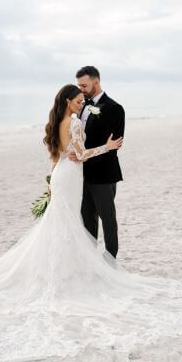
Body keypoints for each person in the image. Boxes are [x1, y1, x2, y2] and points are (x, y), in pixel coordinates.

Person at [0, 84, 182, 362]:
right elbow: (81, 155)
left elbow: (57, 158)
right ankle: (63, 276)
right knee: (67, 225)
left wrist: (50, 183)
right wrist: (107, 147)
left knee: (61, 226)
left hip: (61, 177)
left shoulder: (55, 122)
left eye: (84, 100)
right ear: (70, 102)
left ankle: (57, 272)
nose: (82, 104)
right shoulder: (72, 123)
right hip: (71, 177)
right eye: (79, 101)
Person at [69, 66, 125, 259]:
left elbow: (114, 145)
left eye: (84, 85)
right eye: (79, 85)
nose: (81, 89)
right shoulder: (81, 105)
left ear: (96, 82)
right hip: (81, 173)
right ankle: (91, 261)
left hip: (103, 174)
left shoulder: (114, 108)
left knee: (108, 219)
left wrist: (83, 155)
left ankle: (110, 261)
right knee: (87, 220)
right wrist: (78, 155)